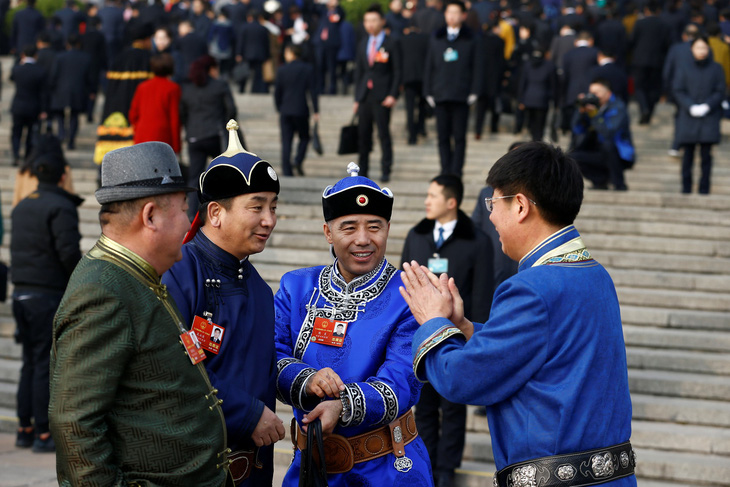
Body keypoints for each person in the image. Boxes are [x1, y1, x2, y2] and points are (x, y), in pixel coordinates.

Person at [400, 141, 636, 487]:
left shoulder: (530, 287)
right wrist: (464, 328)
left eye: (493, 203)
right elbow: (542, 348)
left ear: (521, 206)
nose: (491, 216)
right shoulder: (595, 273)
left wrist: (432, 321)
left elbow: (462, 378)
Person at [49, 142, 230, 485]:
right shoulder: (103, 291)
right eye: (182, 211)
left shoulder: (137, 275)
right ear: (150, 216)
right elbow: (74, 423)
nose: (189, 224)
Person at [274, 162, 433, 486]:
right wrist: (308, 380)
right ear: (328, 232)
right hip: (311, 468)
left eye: (374, 227)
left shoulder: (410, 295)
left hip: (387, 468)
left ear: (388, 228)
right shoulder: (297, 287)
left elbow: (402, 381)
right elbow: (270, 355)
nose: (363, 239)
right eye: (349, 228)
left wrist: (343, 405)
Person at [164, 121, 285, 486]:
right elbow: (173, 370)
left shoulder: (261, 291)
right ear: (215, 213)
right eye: (257, 207)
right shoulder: (178, 273)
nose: (269, 220)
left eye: (273, 207)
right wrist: (247, 414)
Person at [400, 174, 493, 487]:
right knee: (423, 405)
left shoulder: (477, 241)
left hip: (457, 337)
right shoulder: (417, 234)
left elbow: (481, 294)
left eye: (433, 195)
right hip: (421, 334)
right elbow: (406, 286)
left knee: (453, 407)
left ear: (451, 202)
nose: (426, 201)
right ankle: (426, 462)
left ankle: (447, 468)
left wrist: (471, 336)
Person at [11, 151, 82, 454]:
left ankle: (24, 428)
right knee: (44, 362)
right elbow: (67, 251)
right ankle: (43, 432)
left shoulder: (22, 206)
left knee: (30, 361)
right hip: (46, 294)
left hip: (21, 293)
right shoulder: (61, 206)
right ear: (63, 175)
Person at [423, 0, 481, 177]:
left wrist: (475, 90)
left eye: (456, 12)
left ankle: (456, 172)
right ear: (445, 15)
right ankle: (445, 170)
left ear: (463, 15)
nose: (452, 16)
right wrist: (427, 90)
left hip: (461, 94)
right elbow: (429, 65)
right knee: (442, 137)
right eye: (449, 12)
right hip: (440, 93)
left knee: (460, 137)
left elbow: (478, 66)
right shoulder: (437, 37)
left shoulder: (471, 38)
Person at [180, 55, 237, 219]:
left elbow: (182, 113)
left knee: (194, 177)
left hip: (194, 137)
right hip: (215, 134)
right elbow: (231, 109)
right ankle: (224, 212)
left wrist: (189, 127)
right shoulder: (219, 85)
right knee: (222, 174)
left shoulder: (187, 89)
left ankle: (192, 214)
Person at [673, 36, 726, 195]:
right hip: (688, 117)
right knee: (687, 155)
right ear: (692, 49)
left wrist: (707, 105)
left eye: (704, 48)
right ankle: (686, 188)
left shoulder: (716, 68)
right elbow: (678, 90)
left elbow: (720, 90)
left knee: (706, 156)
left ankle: (704, 189)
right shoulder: (684, 67)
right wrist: (690, 106)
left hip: (709, 116)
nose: (701, 51)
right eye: (698, 48)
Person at [353, 3, 400, 182]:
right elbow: (359, 72)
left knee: (383, 134)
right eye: (367, 21)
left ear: (382, 21)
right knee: (363, 135)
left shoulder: (391, 42)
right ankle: (362, 171)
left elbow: (397, 71)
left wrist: (393, 94)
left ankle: (386, 168)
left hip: (383, 96)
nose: (370, 24)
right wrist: (357, 97)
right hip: (365, 95)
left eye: (373, 20)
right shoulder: (363, 43)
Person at [94, 23, 153, 163]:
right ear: (145, 40)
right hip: (138, 112)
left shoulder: (119, 57)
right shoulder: (148, 58)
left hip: (115, 107)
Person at [570, 79, 634, 191]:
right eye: (590, 93)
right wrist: (580, 112)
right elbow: (576, 130)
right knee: (571, 157)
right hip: (596, 150)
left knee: (607, 145)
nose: (592, 96)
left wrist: (595, 115)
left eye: (596, 93)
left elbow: (608, 133)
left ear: (608, 94)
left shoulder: (618, 107)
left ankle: (619, 183)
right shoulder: (591, 107)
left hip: (618, 153)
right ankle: (599, 181)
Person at [274, 44, 319, 177]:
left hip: (286, 110)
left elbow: (277, 92)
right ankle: (298, 159)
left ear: (292, 54)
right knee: (304, 137)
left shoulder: (282, 70)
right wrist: (316, 110)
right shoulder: (307, 69)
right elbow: (313, 92)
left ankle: (287, 170)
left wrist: (279, 107)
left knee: (286, 140)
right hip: (301, 109)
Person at [629, 0, 672, 125]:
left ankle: (644, 108)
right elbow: (667, 44)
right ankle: (649, 111)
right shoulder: (664, 25)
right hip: (657, 61)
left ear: (647, 10)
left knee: (639, 86)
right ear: (658, 11)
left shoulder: (640, 23)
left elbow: (632, 41)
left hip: (640, 60)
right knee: (654, 88)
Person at [129, 53, 181, 154]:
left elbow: (133, 114)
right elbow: (174, 119)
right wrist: (176, 146)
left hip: (142, 134)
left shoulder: (142, 87)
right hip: (163, 137)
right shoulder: (173, 88)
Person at [10, 45, 47, 166]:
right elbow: (43, 93)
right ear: (36, 55)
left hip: (18, 106)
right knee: (31, 134)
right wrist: (43, 110)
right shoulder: (40, 70)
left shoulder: (17, 69)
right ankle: (27, 157)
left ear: (23, 55)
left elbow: (11, 78)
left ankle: (15, 154)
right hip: (33, 107)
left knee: (16, 132)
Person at [517, 46, 555, 142]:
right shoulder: (549, 66)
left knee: (531, 122)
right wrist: (553, 98)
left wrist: (521, 100)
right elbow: (553, 85)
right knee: (540, 123)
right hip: (542, 99)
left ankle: (534, 139)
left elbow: (522, 84)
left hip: (528, 98)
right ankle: (538, 141)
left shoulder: (527, 65)